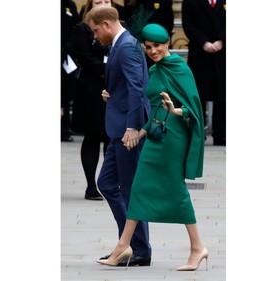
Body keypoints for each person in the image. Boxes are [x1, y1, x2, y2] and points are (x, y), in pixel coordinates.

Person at [96, 23, 207, 271]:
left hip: (173, 138)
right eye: (148, 47)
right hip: (155, 138)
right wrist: (137, 129)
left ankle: (198, 248)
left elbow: (193, 109)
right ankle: (124, 245)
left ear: (168, 44)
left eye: (157, 45)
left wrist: (174, 109)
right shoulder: (153, 70)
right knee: (138, 189)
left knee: (177, 191)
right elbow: (148, 104)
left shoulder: (180, 68)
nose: (153, 50)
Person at [84, 5, 152, 266]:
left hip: (127, 132)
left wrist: (133, 128)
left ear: (107, 24)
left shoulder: (124, 47)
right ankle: (129, 244)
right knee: (109, 184)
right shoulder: (121, 44)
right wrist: (111, 93)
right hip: (120, 127)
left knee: (129, 190)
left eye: (95, 30)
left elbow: (138, 88)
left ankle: (139, 249)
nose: (94, 36)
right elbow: (128, 86)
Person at [67, 0, 122, 200]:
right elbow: (85, 57)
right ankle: (91, 186)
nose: (102, 3)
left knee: (111, 136)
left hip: (113, 89)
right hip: (91, 90)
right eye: (98, 1)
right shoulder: (82, 29)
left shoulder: (119, 26)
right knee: (91, 136)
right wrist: (110, 70)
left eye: (106, 1)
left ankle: (109, 183)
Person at [182, 0, 226, 146]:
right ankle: (198, 133)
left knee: (223, 95)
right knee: (198, 95)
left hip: (223, 54)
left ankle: (221, 134)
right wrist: (204, 42)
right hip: (199, 53)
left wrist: (222, 40)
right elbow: (188, 24)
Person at [123, 0, 174, 68]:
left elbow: (168, 25)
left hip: (158, 48)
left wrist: (156, 43)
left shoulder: (165, 2)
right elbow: (128, 25)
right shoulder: (130, 2)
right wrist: (139, 43)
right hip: (135, 49)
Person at [61, 0, 79, 142]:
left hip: (67, 56)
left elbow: (75, 28)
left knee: (65, 94)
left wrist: (68, 49)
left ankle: (64, 130)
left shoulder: (70, 5)